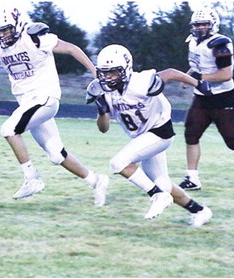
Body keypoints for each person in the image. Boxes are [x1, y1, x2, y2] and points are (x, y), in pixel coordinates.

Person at [0, 6, 109, 206]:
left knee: (8, 129)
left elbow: (72, 49)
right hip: (27, 102)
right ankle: (96, 180)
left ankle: (31, 178)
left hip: (45, 96)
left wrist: (95, 72)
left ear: (16, 25)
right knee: (56, 154)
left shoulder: (34, 37)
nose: (2, 35)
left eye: (5, 30)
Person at [86, 44, 213, 226]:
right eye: (104, 73)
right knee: (164, 184)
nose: (108, 77)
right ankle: (200, 210)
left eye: (113, 72)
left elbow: (169, 73)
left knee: (118, 163)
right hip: (143, 138)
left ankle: (157, 196)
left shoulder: (140, 81)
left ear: (125, 69)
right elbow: (103, 128)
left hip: (160, 131)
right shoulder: (103, 91)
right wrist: (101, 111)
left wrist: (198, 83)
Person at [179, 8, 234, 191]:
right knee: (191, 134)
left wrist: (194, 80)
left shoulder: (220, 44)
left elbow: (225, 74)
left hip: (224, 99)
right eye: (197, 24)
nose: (200, 28)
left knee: (232, 140)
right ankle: (192, 178)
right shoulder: (193, 42)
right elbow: (197, 65)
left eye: (204, 24)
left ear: (213, 25)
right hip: (202, 97)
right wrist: (187, 76)